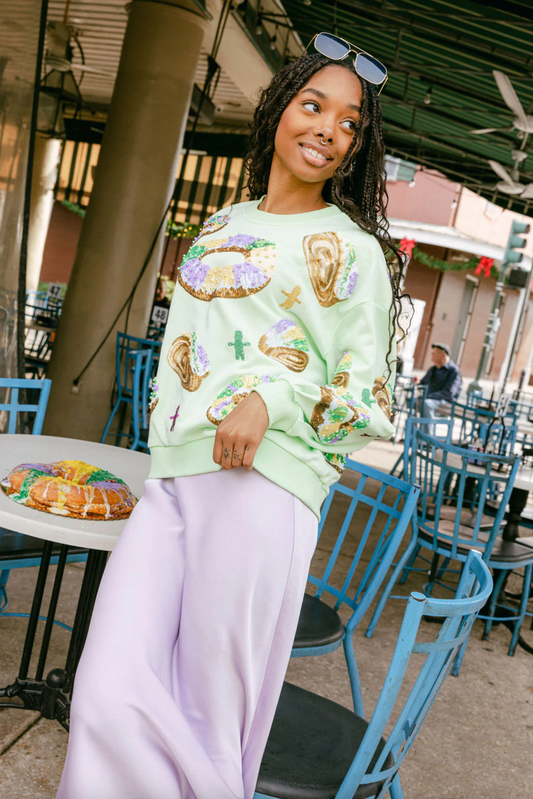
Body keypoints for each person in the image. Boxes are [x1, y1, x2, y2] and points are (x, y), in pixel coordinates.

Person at [56, 34, 405, 799]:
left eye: (348, 123)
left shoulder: (354, 253)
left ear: (356, 146)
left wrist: (270, 397)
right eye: (313, 105)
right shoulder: (220, 224)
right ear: (279, 107)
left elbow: (372, 404)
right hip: (173, 474)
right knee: (105, 691)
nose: (327, 128)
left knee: (211, 720)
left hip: (264, 489)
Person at [420, 342, 462, 430]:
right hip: (430, 400)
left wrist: (429, 396)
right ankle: (412, 435)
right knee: (412, 400)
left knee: (427, 404)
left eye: (434, 353)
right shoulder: (432, 369)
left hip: (445, 403)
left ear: (443, 355)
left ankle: (427, 439)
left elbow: (449, 393)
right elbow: (421, 384)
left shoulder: (453, 371)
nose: (431, 354)